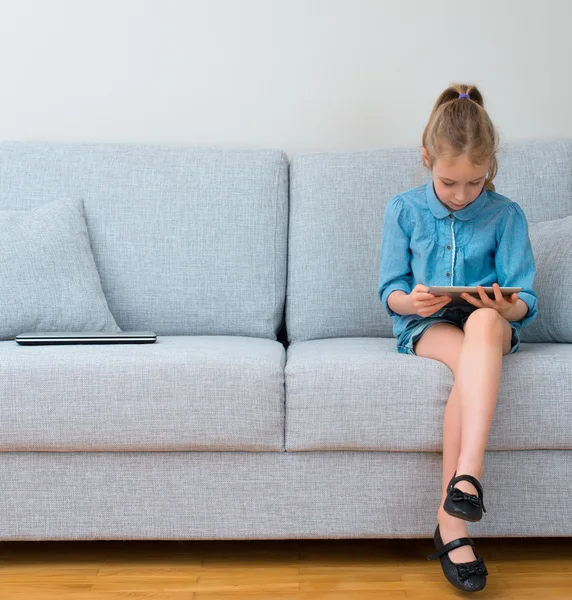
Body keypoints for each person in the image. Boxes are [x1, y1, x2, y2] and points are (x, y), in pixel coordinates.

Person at [377, 83, 538, 592]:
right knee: (464, 349)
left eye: (474, 183)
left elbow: (525, 299)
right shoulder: (403, 209)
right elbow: (390, 289)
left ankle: (459, 495)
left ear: (489, 167)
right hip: (427, 324)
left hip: (484, 326)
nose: (462, 195)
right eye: (449, 182)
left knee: (486, 325)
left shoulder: (506, 214)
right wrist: (412, 301)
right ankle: (460, 501)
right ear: (426, 159)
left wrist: (503, 305)